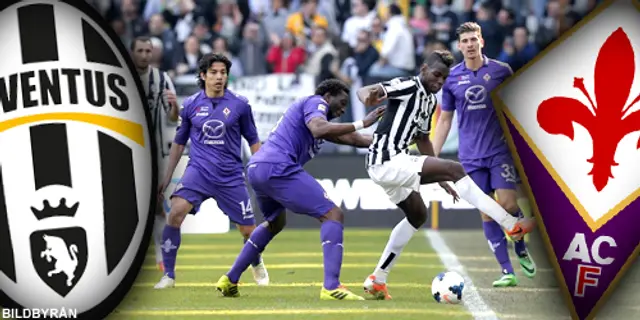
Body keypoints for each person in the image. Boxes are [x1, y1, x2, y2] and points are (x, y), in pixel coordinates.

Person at [356, 50, 536, 300]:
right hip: (387, 160)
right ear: (424, 69)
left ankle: (378, 278)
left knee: (417, 215)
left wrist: (441, 178)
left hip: (391, 164)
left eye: (444, 78)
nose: (439, 82)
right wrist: (368, 97)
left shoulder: (430, 101)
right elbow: (365, 90)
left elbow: (422, 139)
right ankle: (511, 224)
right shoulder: (408, 85)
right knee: (456, 169)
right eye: (436, 75)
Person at [214, 79, 386, 300]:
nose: (343, 109)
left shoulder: (321, 120)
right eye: (341, 102)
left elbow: (354, 139)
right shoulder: (315, 103)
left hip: (258, 167)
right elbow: (319, 128)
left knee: (275, 222)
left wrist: (391, 142)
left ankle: (230, 279)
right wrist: (362, 122)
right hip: (277, 166)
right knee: (333, 214)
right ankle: (331, 286)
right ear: (327, 97)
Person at [431, 22, 537, 288]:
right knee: (487, 212)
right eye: (464, 40)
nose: (469, 44)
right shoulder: (452, 78)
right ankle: (507, 271)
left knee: (508, 203)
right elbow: (445, 121)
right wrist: (431, 155)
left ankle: (520, 245)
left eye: (473, 39)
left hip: (499, 151)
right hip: (470, 156)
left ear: (481, 42)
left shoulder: (501, 71)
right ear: (458, 46)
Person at [154, 53, 269, 289]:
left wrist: (260, 172)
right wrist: (166, 178)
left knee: (248, 231)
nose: (219, 77)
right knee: (175, 213)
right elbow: (178, 143)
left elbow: (253, 139)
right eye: (214, 73)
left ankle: (256, 260)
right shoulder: (191, 105)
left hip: (230, 176)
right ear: (203, 75)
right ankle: (169, 276)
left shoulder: (240, 104)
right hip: (198, 172)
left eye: (223, 73)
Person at [130, 36, 179, 273]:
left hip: (155, 156)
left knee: (157, 206)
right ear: (131, 53)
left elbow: (173, 118)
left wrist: (175, 106)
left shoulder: (161, 78)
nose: (145, 55)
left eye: (148, 50)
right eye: (140, 50)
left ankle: (160, 257)